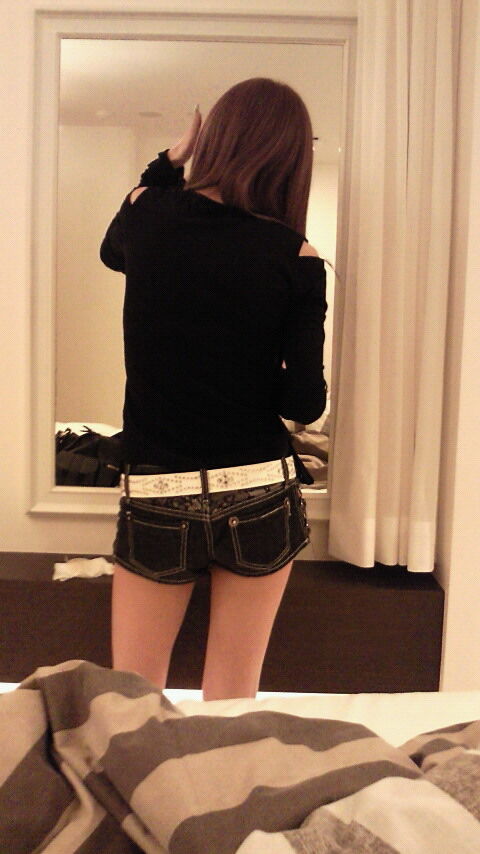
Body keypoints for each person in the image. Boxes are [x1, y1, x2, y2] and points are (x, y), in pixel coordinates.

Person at [100, 77, 328, 700]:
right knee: (233, 698)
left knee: (133, 700)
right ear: (291, 157)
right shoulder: (298, 255)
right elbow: (305, 404)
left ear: (215, 140)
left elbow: (112, 252)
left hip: (159, 487)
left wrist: (170, 161)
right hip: (258, 487)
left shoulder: (147, 213)